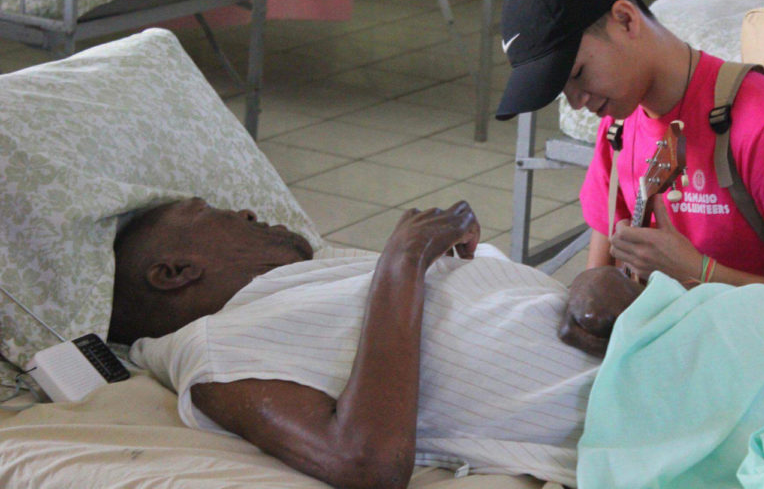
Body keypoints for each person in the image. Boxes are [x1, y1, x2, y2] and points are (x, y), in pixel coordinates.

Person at [109, 197, 628, 488]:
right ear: (174, 272)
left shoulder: (303, 283)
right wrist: (404, 259)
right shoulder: (214, 346)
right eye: (215, 213)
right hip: (642, 403)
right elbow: (366, 464)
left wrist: (594, 285)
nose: (244, 212)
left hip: (660, 337)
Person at [495, 0, 764, 293]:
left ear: (625, 20)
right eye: (561, 89)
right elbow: (599, 285)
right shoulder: (619, 128)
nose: (576, 102)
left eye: (576, 74)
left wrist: (701, 274)